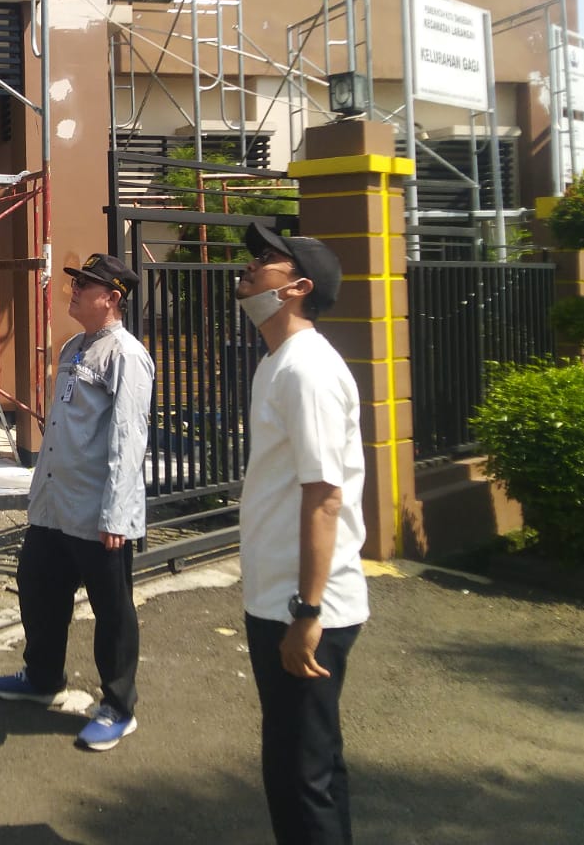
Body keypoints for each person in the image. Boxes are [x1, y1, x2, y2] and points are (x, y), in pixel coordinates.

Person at [0, 253, 155, 752]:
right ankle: (43, 678)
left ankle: (118, 706)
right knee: (38, 587)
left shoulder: (126, 355)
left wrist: (117, 514)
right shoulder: (73, 348)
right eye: (75, 283)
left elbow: (128, 438)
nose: (75, 290)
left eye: (86, 285)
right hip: (55, 504)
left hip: (98, 512)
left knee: (112, 610)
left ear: (113, 298)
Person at [235, 222, 367, 845]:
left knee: (300, 775)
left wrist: (307, 612)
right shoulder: (278, 362)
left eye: (265, 259)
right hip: (278, 599)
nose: (248, 267)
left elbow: (324, 495)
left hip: (303, 606)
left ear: (298, 288)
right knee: (306, 762)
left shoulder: (306, 370)